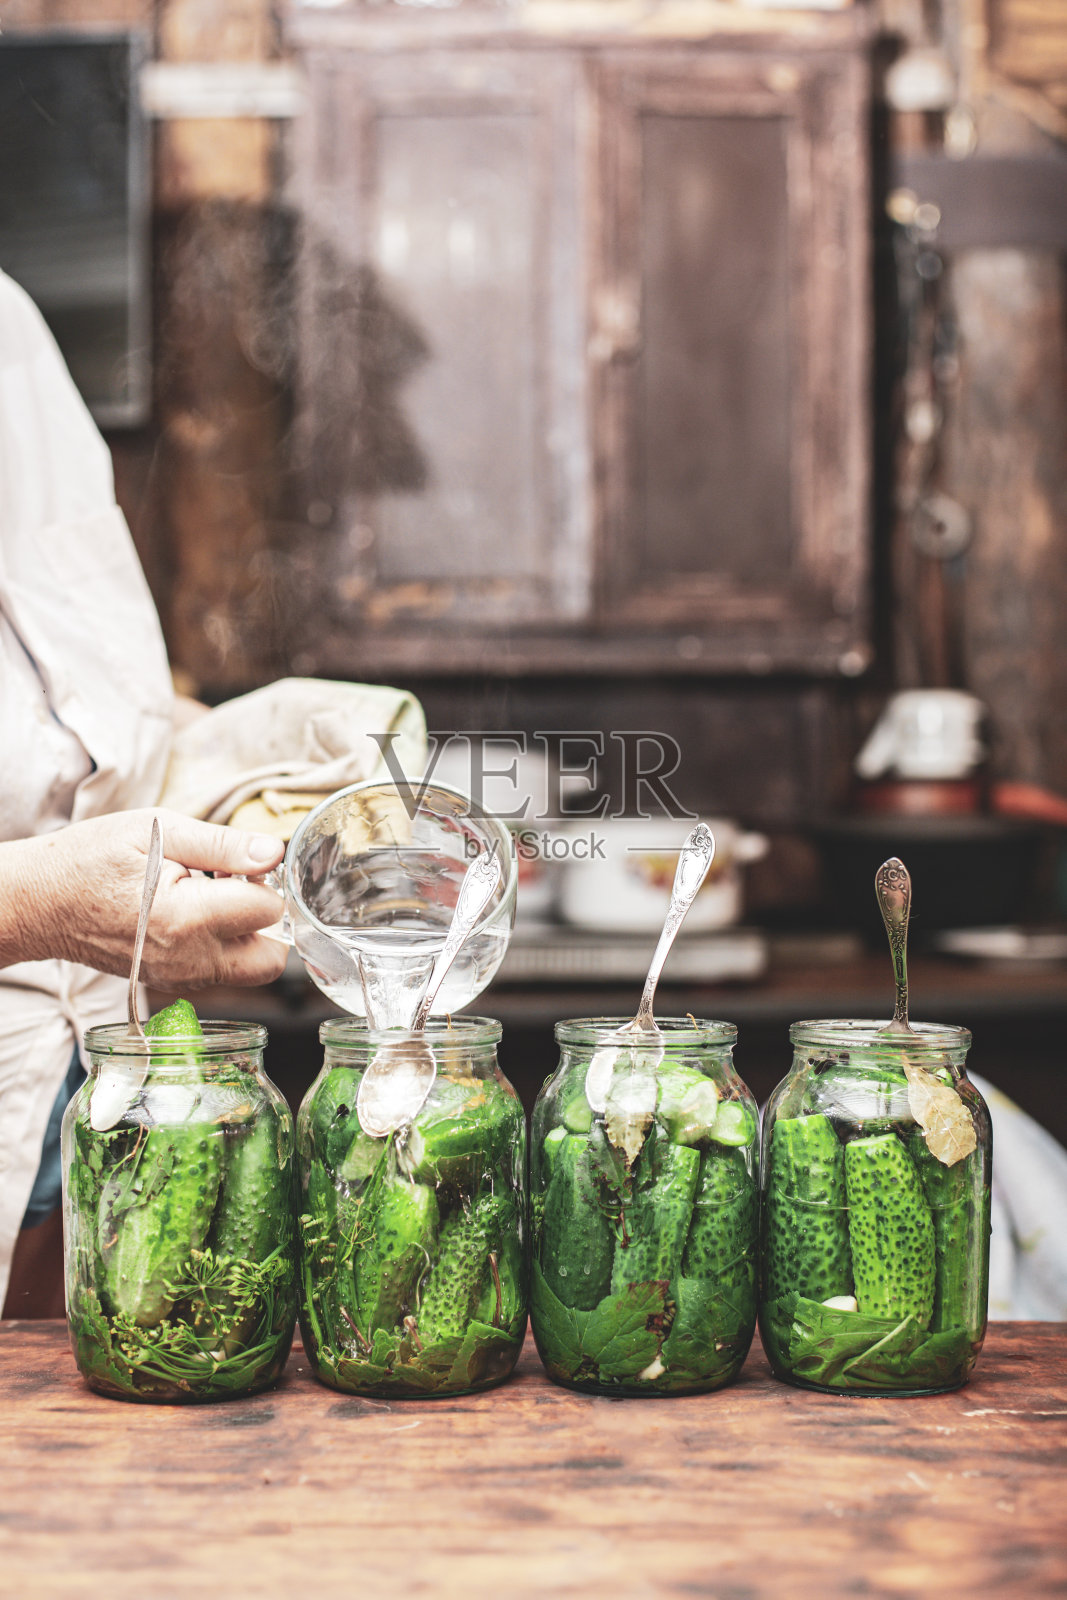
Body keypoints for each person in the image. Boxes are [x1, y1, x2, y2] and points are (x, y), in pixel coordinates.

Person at [0, 267, 288, 1309]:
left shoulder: (8, 319)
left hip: (77, 1093)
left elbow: (59, 702)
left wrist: (272, 760)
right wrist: (35, 903)